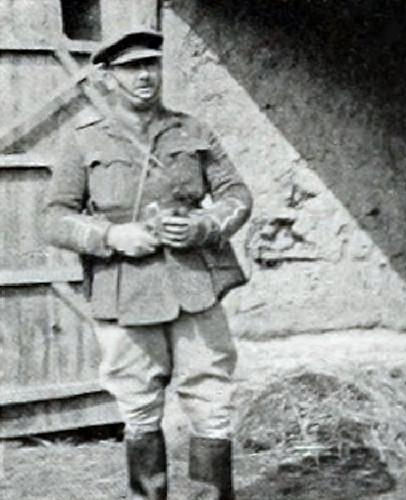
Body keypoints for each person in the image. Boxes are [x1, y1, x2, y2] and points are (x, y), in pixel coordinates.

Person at [45, 29, 252, 500]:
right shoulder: (83, 140)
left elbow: (237, 195)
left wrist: (204, 226)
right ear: (108, 77)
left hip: (194, 286)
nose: (145, 76)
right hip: (125, 289)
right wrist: (111, 236)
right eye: (131, 67)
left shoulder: (192, 131)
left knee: (212, 399)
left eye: (151, 64)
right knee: (137, 404)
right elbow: (53, 218)